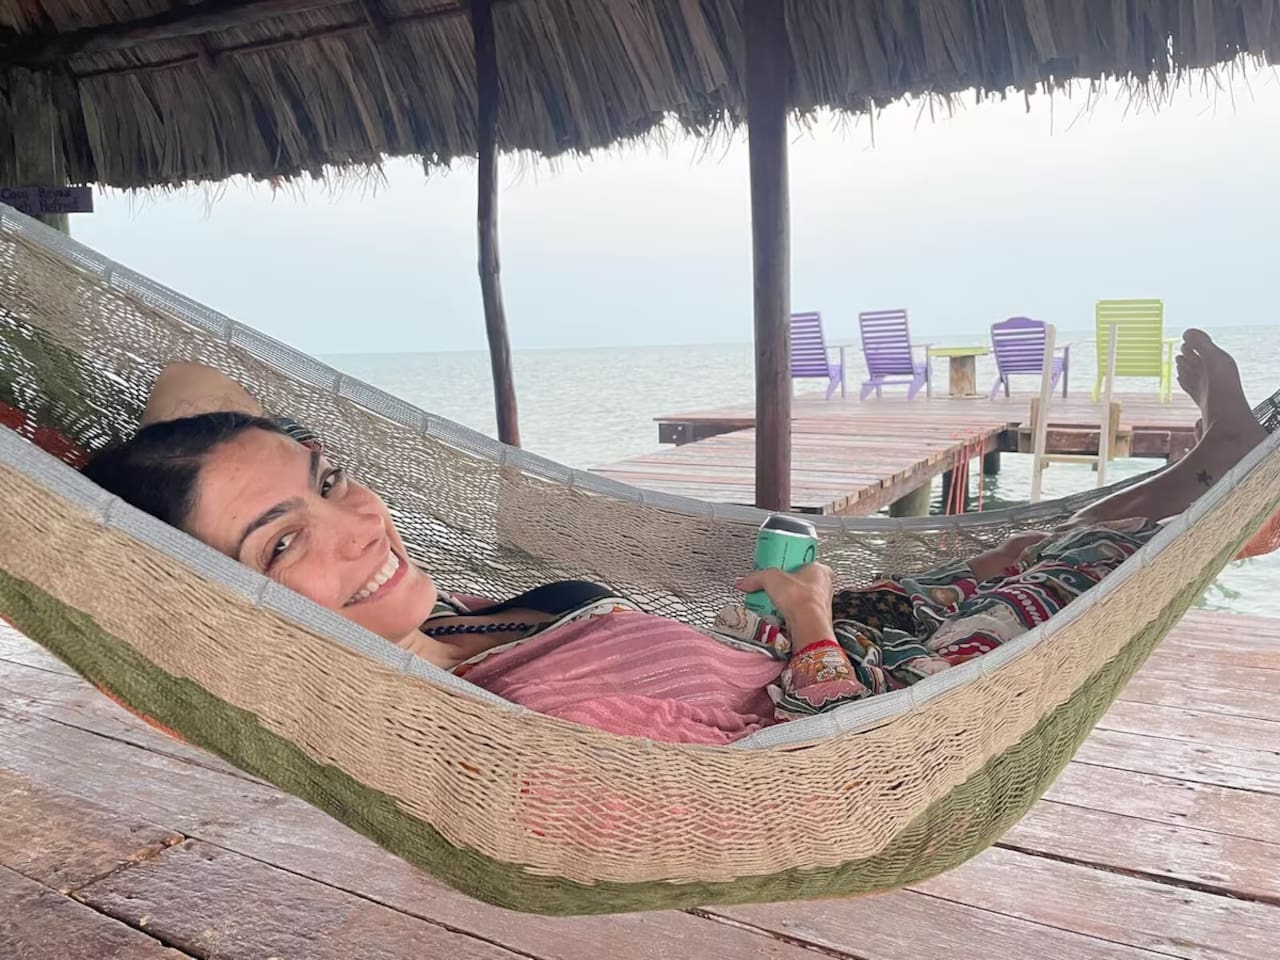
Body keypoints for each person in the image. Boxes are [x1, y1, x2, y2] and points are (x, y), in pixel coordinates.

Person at [81, 330, 1267, 744]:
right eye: (284, 545)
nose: (361, 521)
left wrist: (94, 483)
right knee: (1050, 575)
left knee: (987, 550)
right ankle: (1213, 488)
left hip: (803, 646)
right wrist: (801, 618)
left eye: (331, 480)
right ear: (220, 610)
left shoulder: (423, 629)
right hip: (885, 700)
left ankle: (1187, 475)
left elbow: (186, 379)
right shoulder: (507, 734)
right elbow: (827, 769)